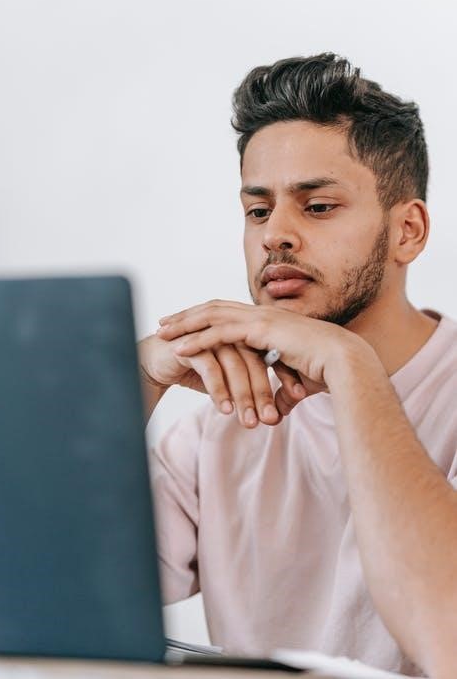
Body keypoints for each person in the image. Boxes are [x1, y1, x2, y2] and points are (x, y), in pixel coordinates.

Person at [138, 53, 457, 678]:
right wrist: (137, 379)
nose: (274, 235)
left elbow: (449, 640)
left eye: (317, 207)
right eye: (258, 211)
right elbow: (24, 586)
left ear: (408, 231)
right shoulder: (219, 424)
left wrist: (350, 367)